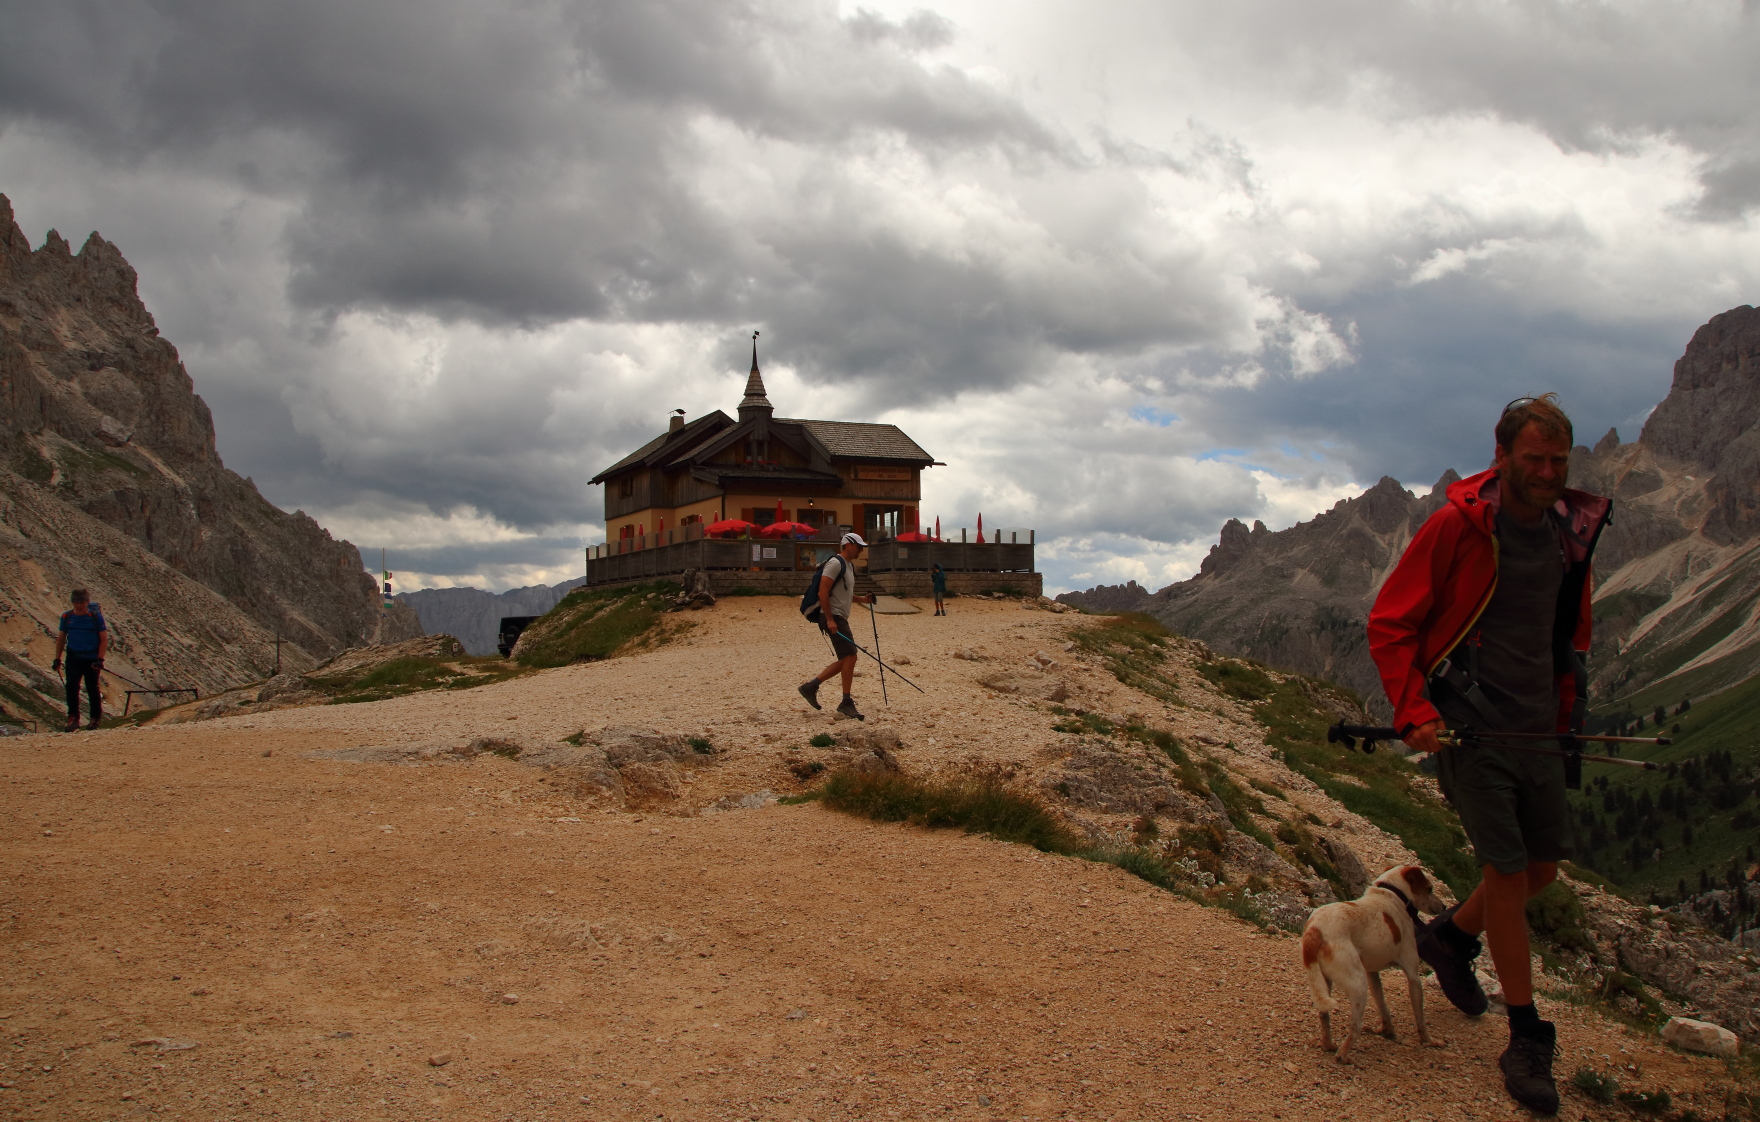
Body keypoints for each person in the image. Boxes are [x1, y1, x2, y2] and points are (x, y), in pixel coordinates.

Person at [1367, 394, 1609, 1114]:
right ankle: (1528, 1035)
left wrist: (1570, 714)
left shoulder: (1571, 533)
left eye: (1558, 461)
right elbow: (1391, 621)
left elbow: (1569, 631)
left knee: (1542, 870)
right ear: (1501, 456)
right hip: (1473, 729)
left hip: (1540, 727)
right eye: (1533, 459)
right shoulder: (1458, 526)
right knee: (1506, 871)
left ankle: (1449, 938)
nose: (1547, 472)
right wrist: (1413, 712)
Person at [798, 532, 876, 721]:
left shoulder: (848, 566)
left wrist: (863, 600)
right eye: (858, 546)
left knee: (846, 658)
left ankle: (811, 686)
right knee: (851, 656)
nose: (861, 550)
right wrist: (830, 619)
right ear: (847, 544)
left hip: (839, 616)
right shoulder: (835, 564)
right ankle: (845, 702)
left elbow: (845, 595)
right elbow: (822, 592)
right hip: (833, 616)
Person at [52, 588, 109, 732]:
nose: (78, 605)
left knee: (92, 688)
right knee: (71, 687)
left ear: (87, 602)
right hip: (73, 657)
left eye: (81, 602)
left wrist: (100, 659)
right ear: (72, 602)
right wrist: (57, 658)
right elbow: (61, 638)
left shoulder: (95, 617)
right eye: (76, 602)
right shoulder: (67, 617)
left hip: (91, 658)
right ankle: (73, 718)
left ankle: (95, 718)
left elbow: (103, 640)